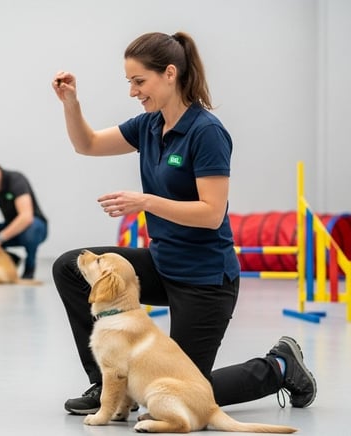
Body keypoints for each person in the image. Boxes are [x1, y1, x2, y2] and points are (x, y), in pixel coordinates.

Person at [51, 32, 317, 415]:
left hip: (205, 281)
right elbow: (87, 144)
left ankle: (278, 366)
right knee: (71, 268)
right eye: (129, 82)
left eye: (139, 81)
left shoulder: (206, 132)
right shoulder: (147, 126)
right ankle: (109, 385)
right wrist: (70, 103)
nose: (133, 92)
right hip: (162, 265)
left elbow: (211, 213)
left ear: (170, 73)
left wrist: (144, 201)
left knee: (179, 394)